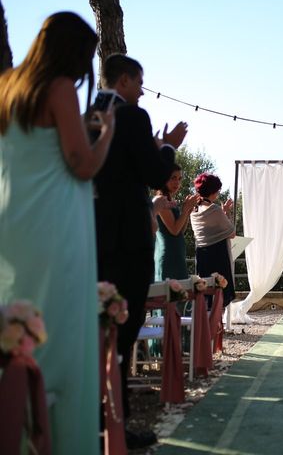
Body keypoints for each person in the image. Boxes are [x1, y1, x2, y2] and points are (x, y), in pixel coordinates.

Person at [0, 12, 114, 454]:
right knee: (60, 331)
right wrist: (105, 134)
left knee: (20, 322)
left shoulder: (8, 86)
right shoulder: (61, 88)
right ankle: (61, 438)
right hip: (55, 225)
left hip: (13, 224)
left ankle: (17, 429)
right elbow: (81, 164)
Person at [93, 53, 187, 449]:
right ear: (126, 80)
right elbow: (153, 174)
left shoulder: (88, 112)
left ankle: (89, 414)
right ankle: (117, 422)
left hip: (92, 236)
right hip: (128, 241)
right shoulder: (133, 116)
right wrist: (167, 147)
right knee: (122, 333)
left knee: (94, 331)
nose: (143, 90)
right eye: (140, 81)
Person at [190, 173, 236, 307]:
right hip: (218, 255)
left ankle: (206, 326)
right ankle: (215, 326)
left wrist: (224, 212)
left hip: (202, 255)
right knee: (219, 294)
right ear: (214, 191)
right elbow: (231, 232)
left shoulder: (194, 210)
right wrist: (225, 213)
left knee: (205, 295)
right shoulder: (214, 209)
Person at [153, 164, 199, 281]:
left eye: (179, 179)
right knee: (169, 295)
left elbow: (180, 230)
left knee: (180, 294)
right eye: (173, 178)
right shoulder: (161, 200)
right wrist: (185, 209)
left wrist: (187, 211)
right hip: (168, 254)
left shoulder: (170, 200)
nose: (177, 183)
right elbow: (174, 230)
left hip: (177, 253)